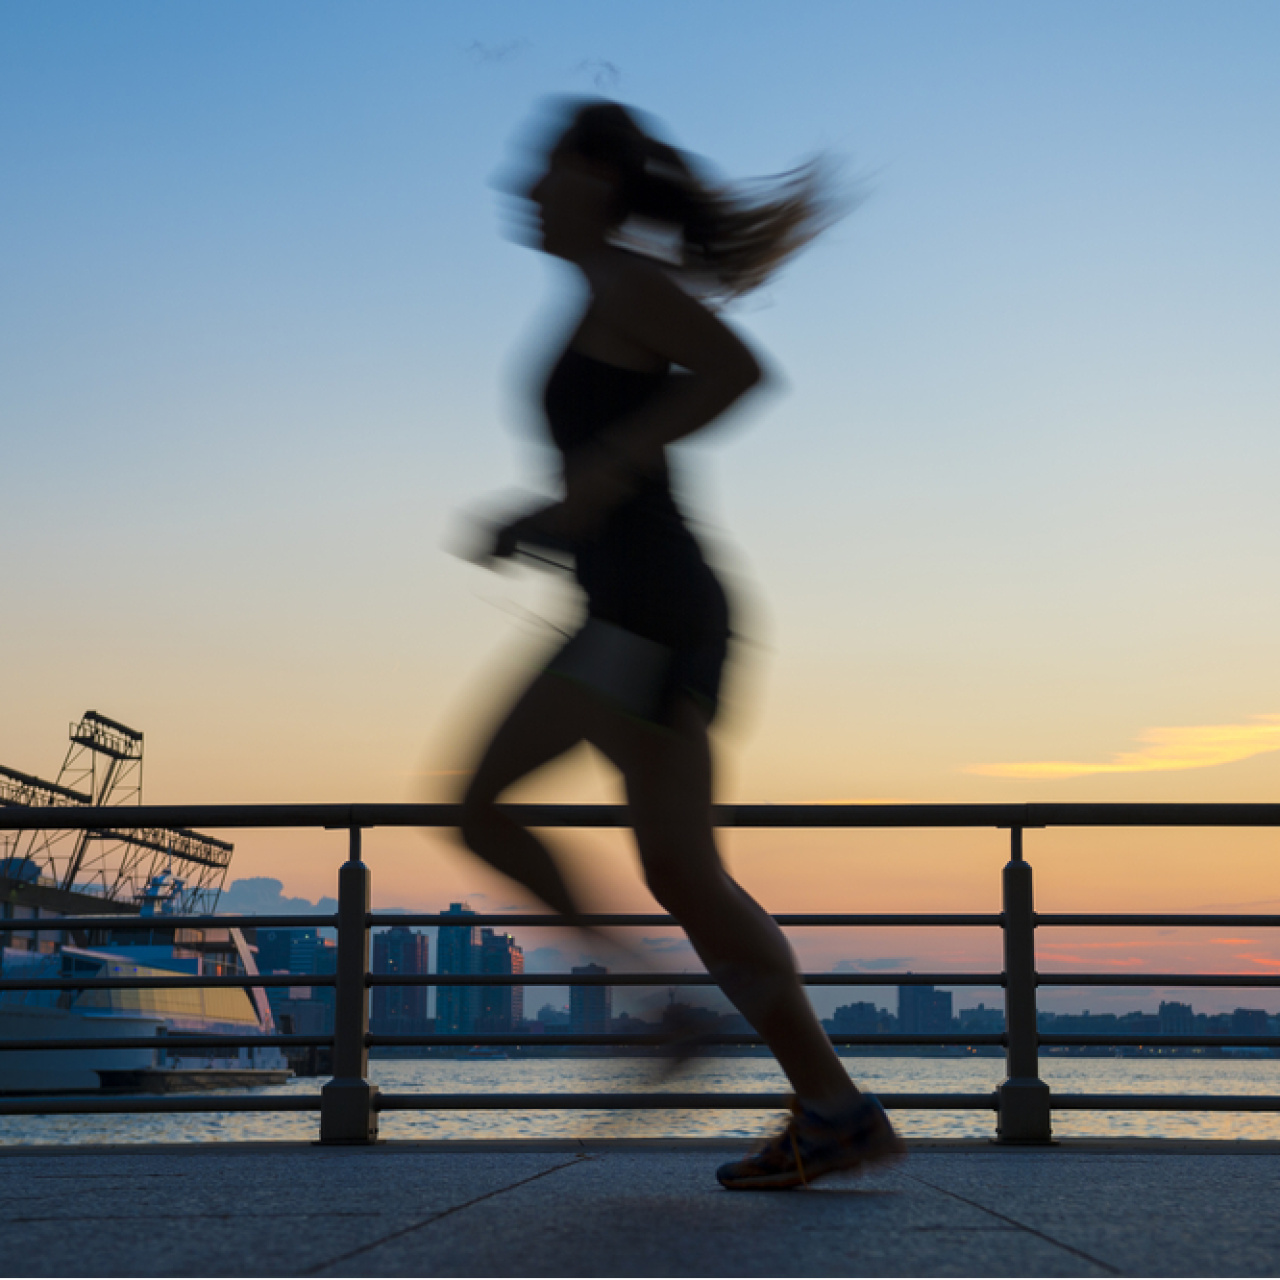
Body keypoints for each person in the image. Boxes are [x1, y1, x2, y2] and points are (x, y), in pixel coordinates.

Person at [458, 99, 904, 1190]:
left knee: (481, 803)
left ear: (598, 181)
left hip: (643, 610)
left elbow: (736, 373)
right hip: (648, 599)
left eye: (545, 167)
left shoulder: (626, 285)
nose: (522, 186)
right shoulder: (600, 296)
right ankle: (835, 1108)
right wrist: (545, 511)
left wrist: (607, 465)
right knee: (687, 872)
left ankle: (656, 1007)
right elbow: (624, 459)